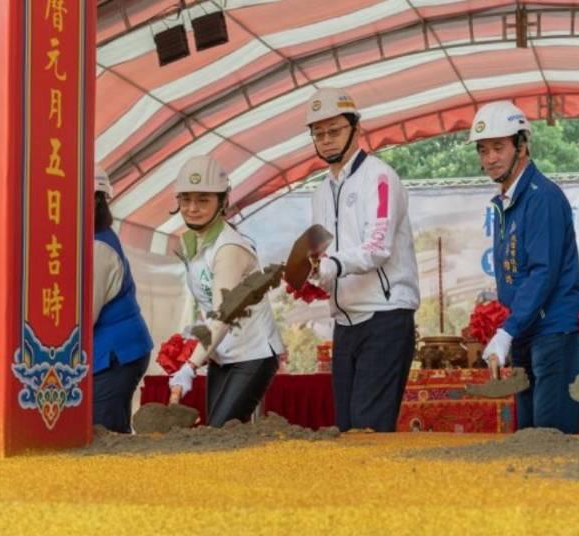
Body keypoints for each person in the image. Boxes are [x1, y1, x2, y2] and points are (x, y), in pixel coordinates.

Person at [305, 87, 420, 432]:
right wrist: (311, 274)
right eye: (318, 133)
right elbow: (321, 256)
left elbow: (378, 246)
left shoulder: (380, 177)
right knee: (346, 429)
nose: (326, 140)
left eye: (334, 131)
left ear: (357, 129)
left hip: (385, 317)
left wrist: (332, 265)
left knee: (367, 430)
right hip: (344, 321)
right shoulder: (321, 191)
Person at [471, 101, 579, 434]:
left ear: (521, 145)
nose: (490, 158)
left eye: (498, 147)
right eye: (483, 150)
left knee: (551, 437)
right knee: (528, 438)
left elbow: (543, 273)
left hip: (555, 334)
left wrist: (506, 330)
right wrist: (508, 328)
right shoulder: (507, 201)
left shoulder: (542, 197)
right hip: (526, 333)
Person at [168, 155, 284, 427]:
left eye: (203, 200)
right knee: (216, 435)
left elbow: (223, 313)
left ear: (222, 201)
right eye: (186, 199)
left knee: (220, 433)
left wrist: (191, 365)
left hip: (252, 354)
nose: (192, 208)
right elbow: (205, 305)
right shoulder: (192, 244)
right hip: (222, 352)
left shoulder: (228, 248)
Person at [93, 166, 154, 433]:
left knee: (105, 432)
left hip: (117, 354)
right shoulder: (89, 238)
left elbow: (85, 316)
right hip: (111, 351)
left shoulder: (98, 248)